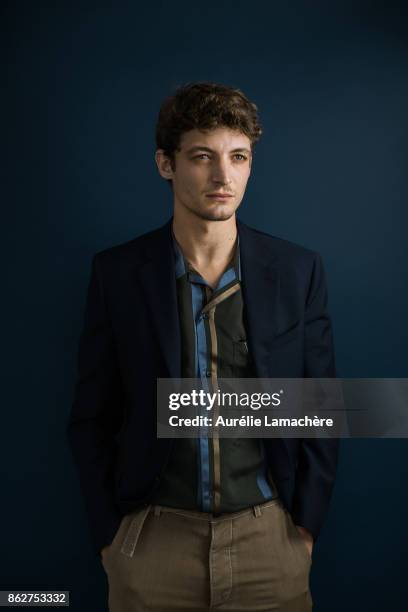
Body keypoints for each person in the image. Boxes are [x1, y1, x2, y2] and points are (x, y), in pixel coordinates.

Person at [67, 82, 339, 611]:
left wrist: (304, 529)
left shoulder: (298, 271)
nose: (223, 176)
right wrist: (112, 539)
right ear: (166, 164)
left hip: (270, 542)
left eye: (238, 157)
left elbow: (320, 409)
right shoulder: (118, 274)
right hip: (153, 545)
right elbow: (91, 416)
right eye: (202, 157)